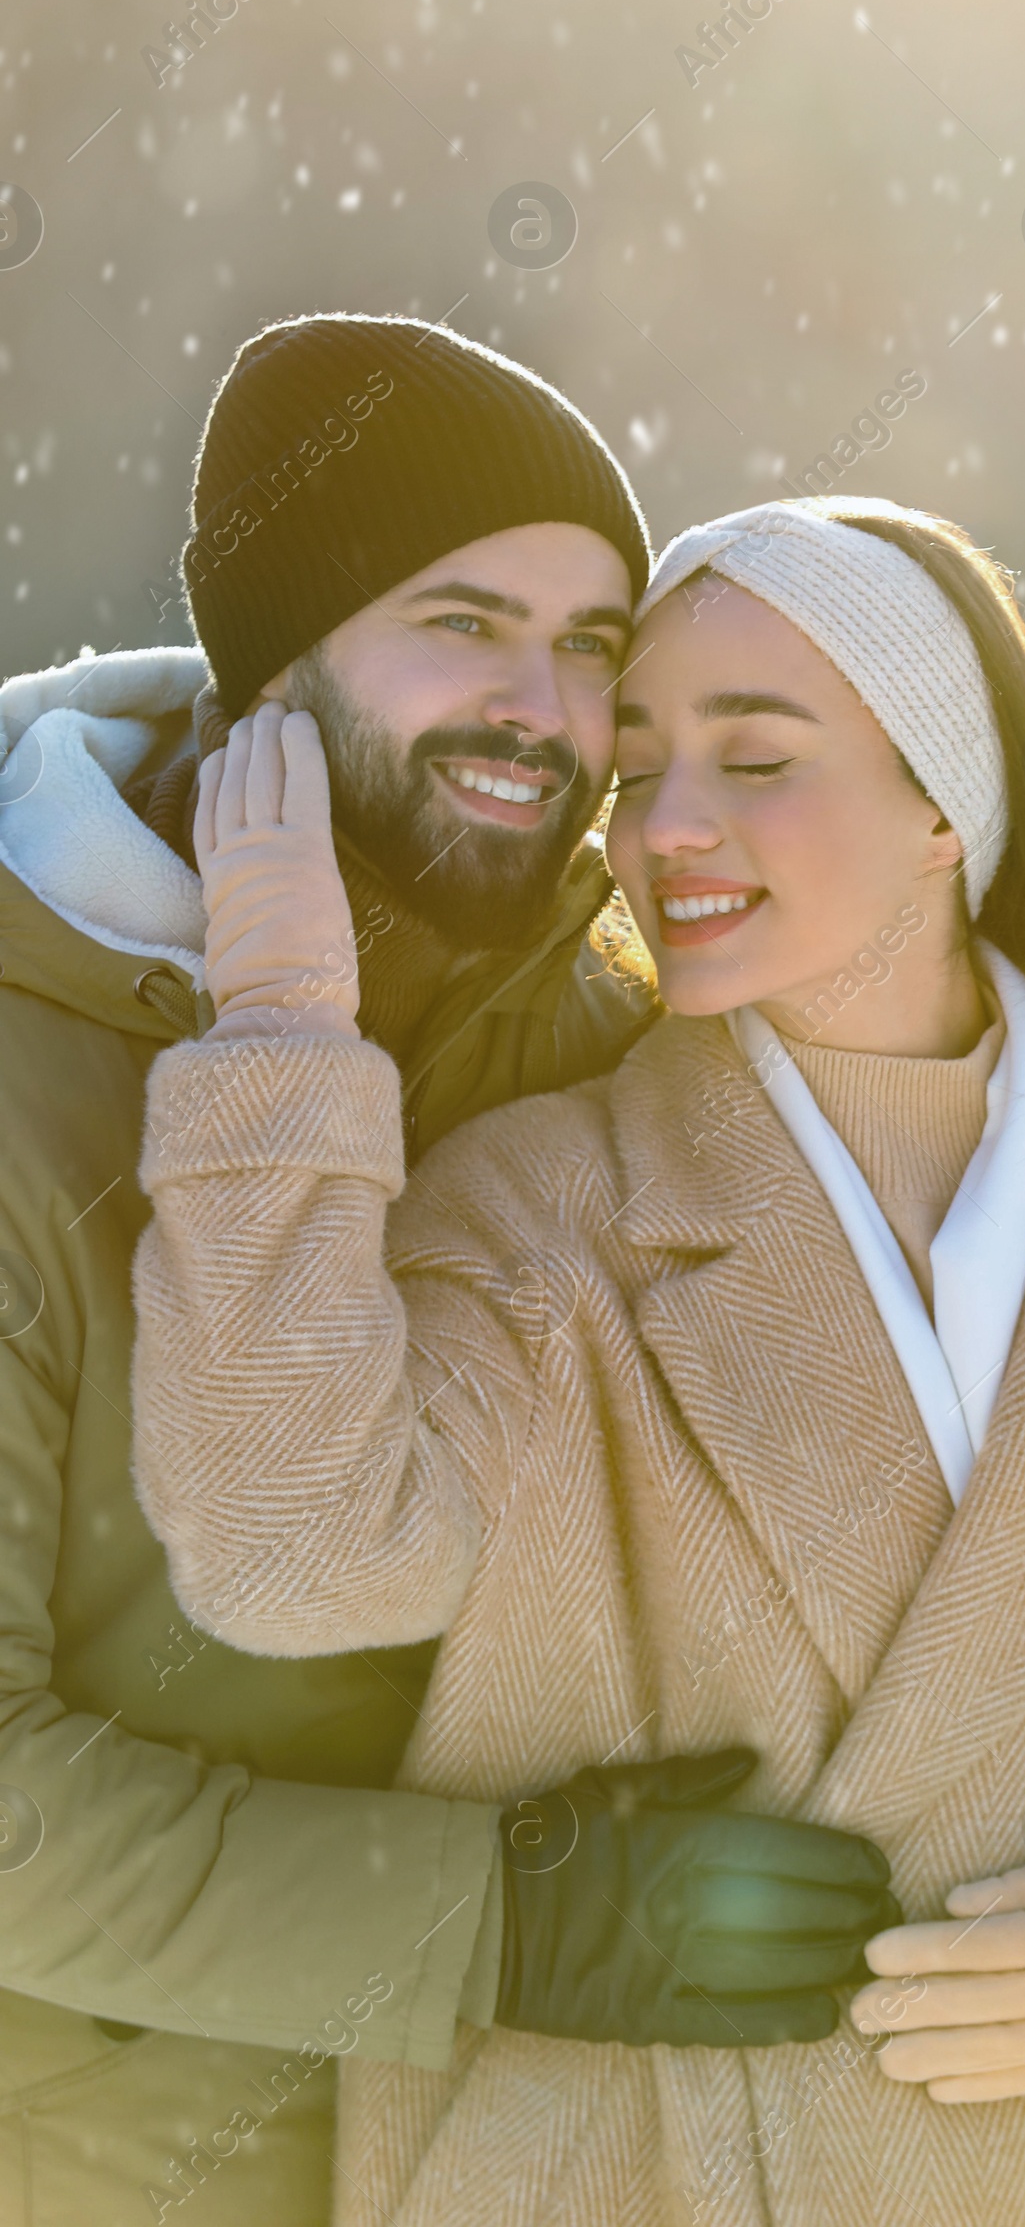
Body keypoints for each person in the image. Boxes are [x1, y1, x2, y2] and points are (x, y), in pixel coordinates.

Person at [130, 496, 1025, 2226]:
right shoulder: (541, 1204)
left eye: (756, 759)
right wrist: (277, 1032)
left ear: (946, 802)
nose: (666, 829)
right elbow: (285, 1553)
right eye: (637, 771)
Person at [0, 311, 677, 2224]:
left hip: (553, 2160)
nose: (544, 707)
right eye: (460, 624)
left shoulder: (611, 1014)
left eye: (593, 643)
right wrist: (508, 1931)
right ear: (271, 668)